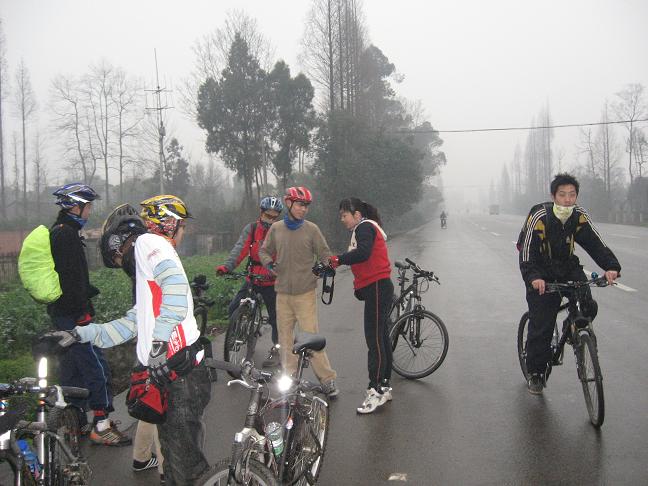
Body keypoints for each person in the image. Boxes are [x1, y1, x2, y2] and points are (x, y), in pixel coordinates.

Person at [46, 195, 212, 485]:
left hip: (180, 375)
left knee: (184, 470)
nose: (123, 263)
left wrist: (159, 347)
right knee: (176, 464)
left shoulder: (150, 243)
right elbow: (130, 324)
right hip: (174, 374)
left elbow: (174, 289)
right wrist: (79, 334)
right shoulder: (151, 266)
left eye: (120, 256)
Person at [519, 173, 620, 394]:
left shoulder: (578, 216)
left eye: (572, 195)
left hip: (568, 267)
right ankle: (535, 373)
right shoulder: (540, 216)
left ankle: (571, 326)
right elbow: (526, 252)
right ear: (553, 195)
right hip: (541, 272)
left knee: (588, 306)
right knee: (542, 324)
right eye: (562, 195)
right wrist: (534, 277)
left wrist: (611, 267)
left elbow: (595, 243)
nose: (567, 199)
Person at [48, 183, 130, 446]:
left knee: (72, 369)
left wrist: (86, 292)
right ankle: (101, 424)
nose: (90, 211)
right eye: (88, 206)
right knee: (96, 367)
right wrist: (82, 312)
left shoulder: (60, 232)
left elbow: (70, 276)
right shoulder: (67, 236)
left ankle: (76, 421)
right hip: (74, 314)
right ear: (76, 206)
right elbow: (71, 279)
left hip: (62, 313)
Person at [258, 186, 339, 398]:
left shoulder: (312, 229)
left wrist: (324, 269)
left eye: (306, 206)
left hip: (305, 293)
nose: (304, 209)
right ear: (288, 203)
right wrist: (269, 264)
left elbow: (325, 254)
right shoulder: (276, 229)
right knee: (285, 340)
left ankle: (328, 380)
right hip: (282, 293)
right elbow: (264, 251)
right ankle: (290, 379)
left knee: (310, 337)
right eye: (300, 205)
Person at [329, 198, 394, 414]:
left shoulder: (364, 227)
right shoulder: (366, 227)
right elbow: (365, 257)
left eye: (344, 215)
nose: (342, 219)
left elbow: (363, 253)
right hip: (378, 287)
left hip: (377, 287)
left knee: (374, 340)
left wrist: (339, 259)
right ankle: (384, 386)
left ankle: (374, 390)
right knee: (382, 337)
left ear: (356, 215)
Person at [216, 195, 284, 367]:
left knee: (278, 318)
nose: (271, 220)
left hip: (272, 281)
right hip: (253, 278)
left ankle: (277, 348)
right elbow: (240, 248)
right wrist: (228, 266)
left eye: (275, 216)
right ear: (261, 213)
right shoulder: (252, 229)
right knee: (233, 307)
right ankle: (235, 335)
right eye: (268, 215)